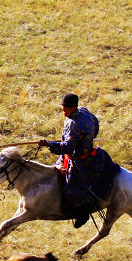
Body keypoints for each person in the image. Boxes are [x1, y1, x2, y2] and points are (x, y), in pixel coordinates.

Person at [38, 93, 113, 229]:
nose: (63, 110)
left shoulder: (75, 124)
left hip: (79, 161)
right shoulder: (83, 111)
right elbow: (96, 122)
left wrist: (49, 145)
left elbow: (67, 147)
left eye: (66, 108)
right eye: (63, 107)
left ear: (73, 107)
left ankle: (83, 212)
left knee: (71, 192)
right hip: (70, 154)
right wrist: (87, 138)